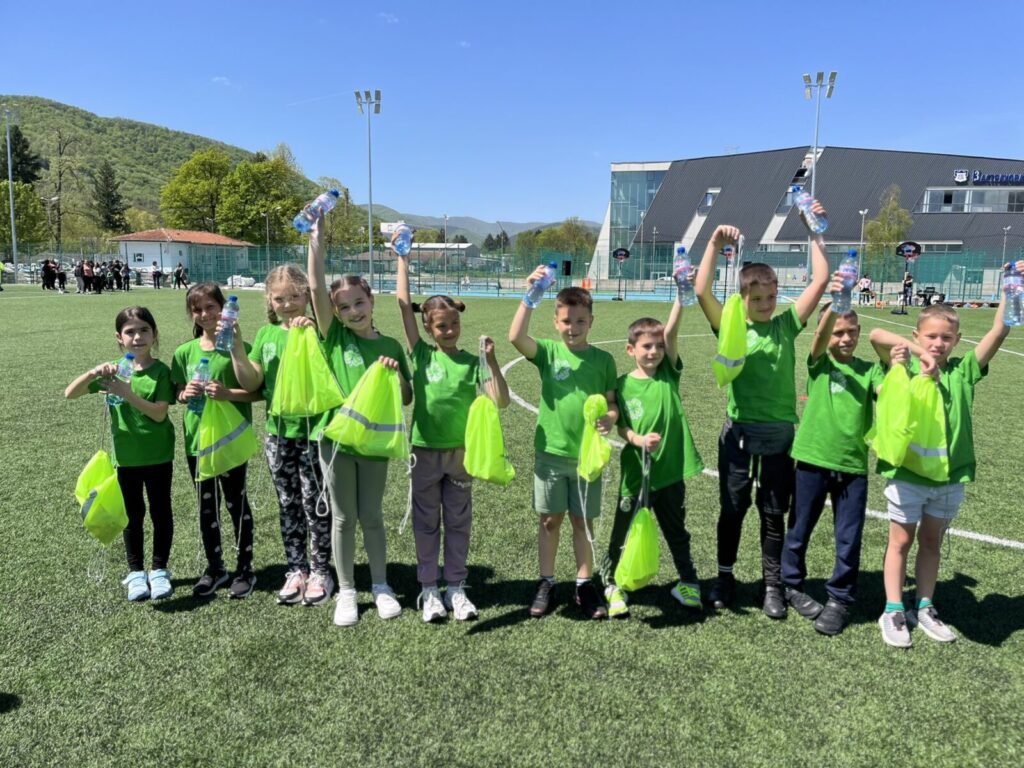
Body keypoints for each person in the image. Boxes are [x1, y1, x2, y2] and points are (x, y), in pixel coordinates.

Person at [693, 206, 830, 619]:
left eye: (771, 297)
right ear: (742, 299)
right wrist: (713, 244)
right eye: (757, 299)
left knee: (773, 514)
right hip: (738, 437)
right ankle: (725, 577)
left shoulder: (786, 327)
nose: (766, 304)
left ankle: (772, 585)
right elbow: (701, 291)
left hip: (780, 439)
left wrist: (813, 231)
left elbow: (820, 280)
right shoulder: (731, 326)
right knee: (733, 509)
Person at [868, 273, 1017, 648]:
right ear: (917, 336)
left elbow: (1000, 331)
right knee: (900, 541)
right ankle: (893, 609)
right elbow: (876, 335)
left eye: (946, 338)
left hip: (949, 479)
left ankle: (925, 605)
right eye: (931, 336)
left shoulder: (963, 372)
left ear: (957, 340)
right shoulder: (903, 369)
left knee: (932, 541)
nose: (938, 343)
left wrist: (1010, 290)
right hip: (908, 476)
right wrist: (917, 357)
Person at [395, 234, 510, 623]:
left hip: (461, 455)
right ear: (428, 329)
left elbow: (501, 400)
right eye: (442, 326)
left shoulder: (472, 362)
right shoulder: (421, 355)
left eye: (454, 324)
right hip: (424, 452)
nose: (449, 330)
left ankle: (456, 587)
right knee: (426, 522)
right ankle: (429, 589)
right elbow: (402, 306)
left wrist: (492, 361)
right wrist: (403, 259)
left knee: (458, 522)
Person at [307, 213, 413, 627]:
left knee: (371, 516)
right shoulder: (334, 337)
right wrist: (316, 239)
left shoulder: (390, 345)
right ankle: (348, 590)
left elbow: (406, 397)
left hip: (373, 444)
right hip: (334, 441)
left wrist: (396, 376)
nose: (353, 311)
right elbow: (315, 287)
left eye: (359, 303)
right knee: (342, 517)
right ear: (335, 313)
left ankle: (381, 585)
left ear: (372, 301)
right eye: (344, 307)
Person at [509, 270, 618, 620]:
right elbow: (515, 337)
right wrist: (531, 296)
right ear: (556, 322)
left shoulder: (604, 360)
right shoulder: (550, 353)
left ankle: (584, 584)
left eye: (580, 321)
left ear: (591, 322)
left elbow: (612, 403)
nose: (573, 327)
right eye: (567, 321)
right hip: (551, 454)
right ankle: (547, 580)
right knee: (549, 521)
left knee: (582, 521)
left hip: (587, 458)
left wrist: (611, 418)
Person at [232, 264, 335, 608]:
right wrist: (236, 347)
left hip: (315, 432)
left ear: (306, 296)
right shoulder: (266, 334)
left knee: (315, 503)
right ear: (269, 300)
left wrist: (312, 328)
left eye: (295, 296)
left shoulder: (319, 330)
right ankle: (297, 569)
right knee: (288, 503)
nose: (288, 304)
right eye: (280, 299)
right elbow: (252, 382)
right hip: (278, 434)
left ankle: (321, 571)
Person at [780, 301, 886, 635]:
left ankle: (840, 599)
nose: (845, 339)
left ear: (859, 332)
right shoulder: (820, 364)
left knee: (848, 538)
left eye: (851, 332)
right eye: (838, 332)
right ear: (825, 334)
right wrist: (837, 301)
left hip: (852, 467)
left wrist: (896, 368)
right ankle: (790, 584)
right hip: (812, 460)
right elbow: (818, 339)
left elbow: (884, 390)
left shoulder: (869, 370)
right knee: (799, 530)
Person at [600, 290, 705, 618]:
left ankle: (688, 582)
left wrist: (681, 296)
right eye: (647, 346)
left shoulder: (668, 374)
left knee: (677, 531)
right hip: (637, 475)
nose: (654, 352)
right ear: (630, 349)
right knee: (623, 530)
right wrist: (637, 439)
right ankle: (611, 584)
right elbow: (621, 428)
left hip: (670, 472)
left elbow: (671, 331)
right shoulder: (622, 386)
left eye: (658, 346)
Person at [64, 307, 176, 601]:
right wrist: (94, 372)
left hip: (158, 455)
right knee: (132, 516)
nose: (137, 337)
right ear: (119, 337)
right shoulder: (113, 371)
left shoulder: (161, 372)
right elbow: (70, 393)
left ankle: (159, 570)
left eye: (144, 330)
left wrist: (127, 393)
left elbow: (159, 413)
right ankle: (136, 573)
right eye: (130, 332)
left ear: (154, 334)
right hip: (125, 459)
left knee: (161, 511)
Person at [171, 283, 261, 599]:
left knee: (236, 502)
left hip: (229, 441)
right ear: (191, 314)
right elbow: (178, 392)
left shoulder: (240, 347)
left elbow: (256, 392)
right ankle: (215, 568)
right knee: (206, 507)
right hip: (197, 440)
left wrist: (226, 394)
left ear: (223, 309)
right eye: (197, 309)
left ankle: (245, 568)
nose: (205, 314)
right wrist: (185, 394)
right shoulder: (184, 352)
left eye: (211, 307)